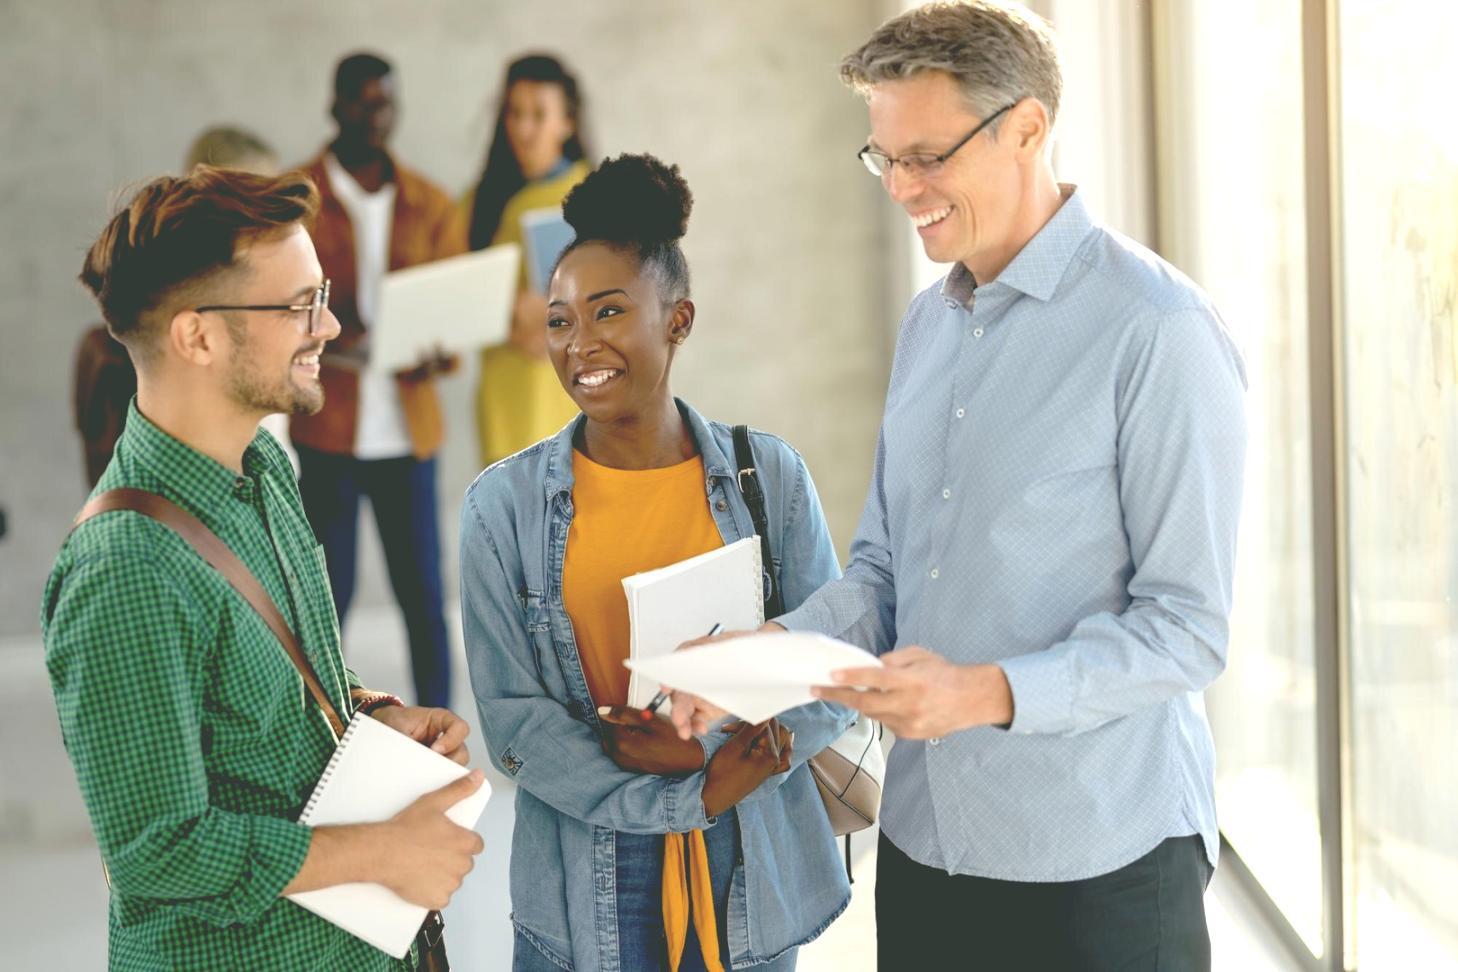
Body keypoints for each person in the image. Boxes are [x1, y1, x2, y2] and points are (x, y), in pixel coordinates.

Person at [672, 4, 1249, 970]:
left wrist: (984, 694)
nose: (902, 188)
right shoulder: (927, 327)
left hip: (1100, 864)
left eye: (929, 156)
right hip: (928, 847)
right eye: (885, 158)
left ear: (1027, 128)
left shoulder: (1158, 331)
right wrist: (759, 660)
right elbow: (885, 576)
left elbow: (1187, 628)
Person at [45, 165, 485, 970]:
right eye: (299, 305)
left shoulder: (265, 470)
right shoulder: (125, 568)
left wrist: (371, 713)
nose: (329, 325)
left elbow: (279, 680)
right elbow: (159, 851)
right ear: (198, 336)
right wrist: (382, 853)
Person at [460, 154, 852, 971]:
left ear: (677, 321)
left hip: (747, 870)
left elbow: (831, 671)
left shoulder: (767, 478)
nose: (581, 345)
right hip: (579, 881)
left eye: (608, 312)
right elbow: (516, 726)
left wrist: (706, 757)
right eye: (560, 320)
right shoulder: (502, 507)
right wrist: (685, 794)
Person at [291, 52, 464, 708]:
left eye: (384, 103)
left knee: (424, 596)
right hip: (327, 428)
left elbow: (455, 319)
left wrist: (435, 350)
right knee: (323, 602)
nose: (374, 115)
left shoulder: (429, 202)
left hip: (408, 433)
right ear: (335, 107)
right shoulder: (298, 195)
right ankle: (323, 732)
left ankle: (442, 737)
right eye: (362, 102)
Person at [73, 125, 283, 488]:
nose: (274, 211)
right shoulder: (192, 277)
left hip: (262, 470)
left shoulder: (253, 267)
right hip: (217, 478)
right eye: (261, 192)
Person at [463, 53, 591, 466]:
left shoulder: (597, 197)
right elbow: (449, 286)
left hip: (566, 407)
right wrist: (506, 309)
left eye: (538, 114)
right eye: (514, 113)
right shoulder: (480, 200)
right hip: (503, 401)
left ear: (567, 122)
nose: (523, 128)